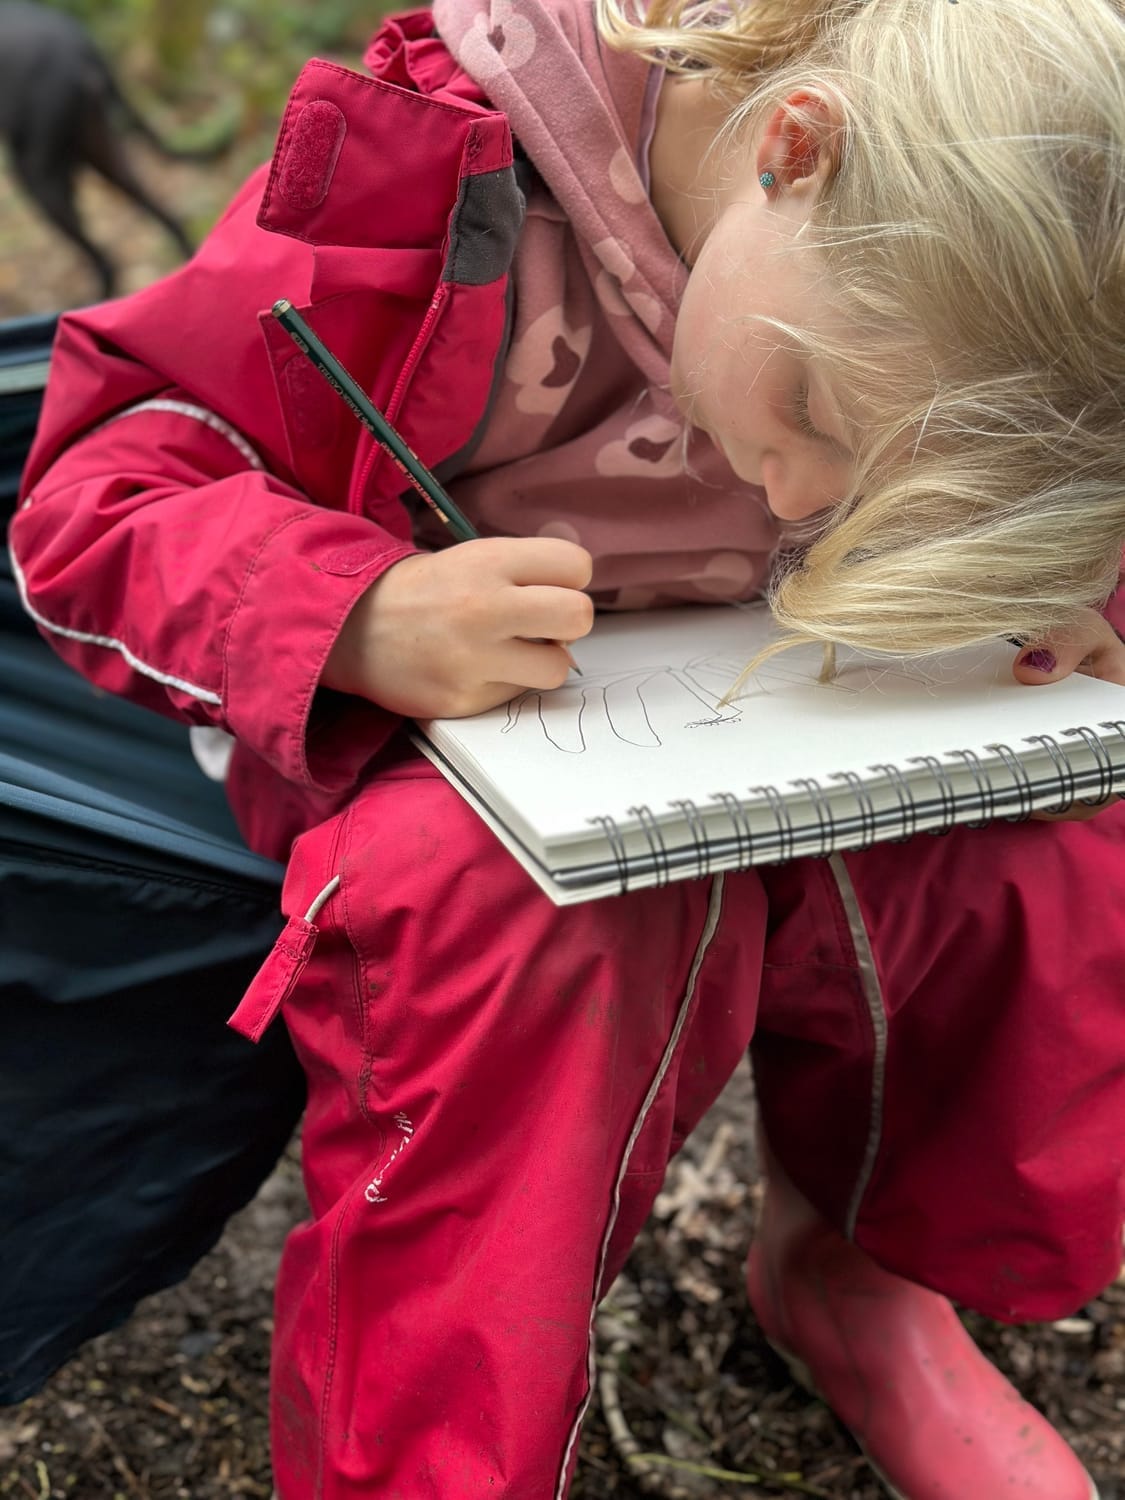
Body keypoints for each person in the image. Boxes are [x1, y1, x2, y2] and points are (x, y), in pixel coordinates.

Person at [9, 0, 1125, 1494]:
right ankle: (430, 1470)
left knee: (1035, 845)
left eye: (902, 487)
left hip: (813, 705)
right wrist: (353, 614)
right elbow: (104, 482)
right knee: (518, 931)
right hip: (461, 745)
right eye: (811, 406)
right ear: (792, 151)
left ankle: (854, 1280)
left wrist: (1056, 592)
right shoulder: (438, 156)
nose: (800, 489)